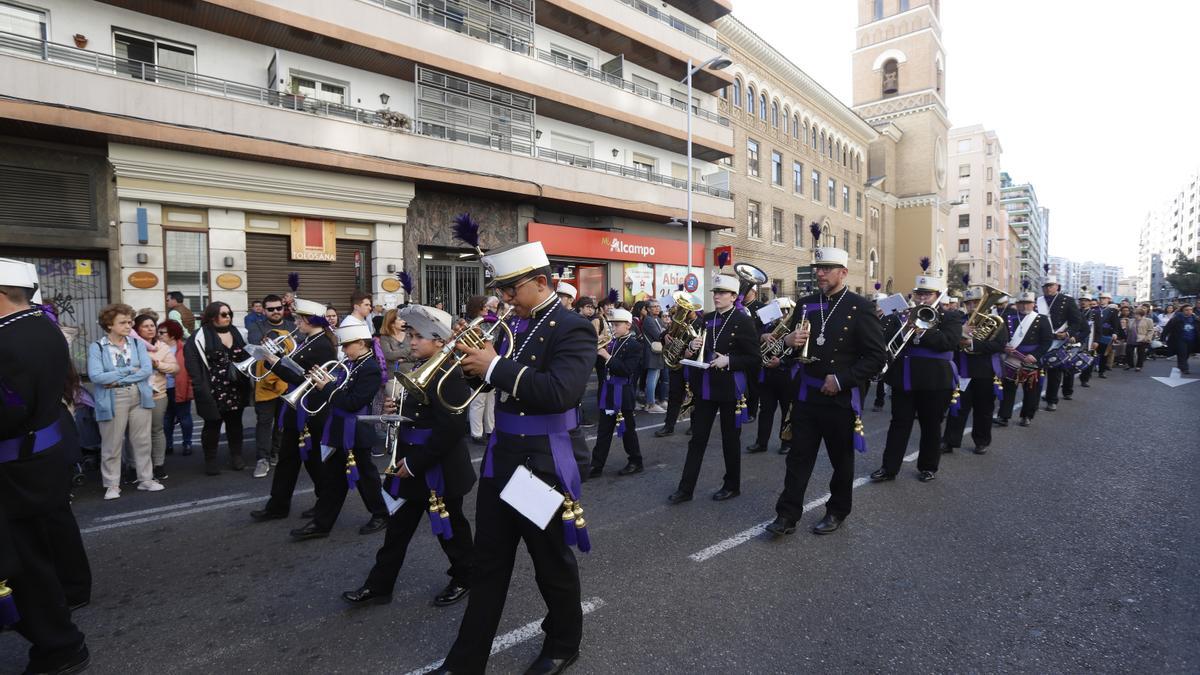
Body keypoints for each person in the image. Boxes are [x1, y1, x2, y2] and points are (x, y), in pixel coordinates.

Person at [434, 240, 594, 675]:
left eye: (510, 290)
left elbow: (561, 392)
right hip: (501, 461)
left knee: (549, 561)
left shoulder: (572, 327)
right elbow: (488, 387)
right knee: (489, 563)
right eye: (500, 290)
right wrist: (459, 365)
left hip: (540, 465)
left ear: (540, 283)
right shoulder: (516, 328)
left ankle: (563, 642)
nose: (503, 300)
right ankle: (465, 662)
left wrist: (492, 366)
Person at [342, 304, 475, 608]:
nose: (411, 342)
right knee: (397, 532)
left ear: (440, 341)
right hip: (410, 463)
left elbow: (451, 429)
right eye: (411, 335)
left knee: (451, 531)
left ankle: (466, 577)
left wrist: (414, 464)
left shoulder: (449, 374)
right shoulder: (418, 367)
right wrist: (394, 411)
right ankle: (379, 586)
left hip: (434, 466)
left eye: (418, 337)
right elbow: (418, 413)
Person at [0, 258, 91, 674]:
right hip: (45, 455)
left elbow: (8, 412)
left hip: (19, 468)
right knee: (43, 544)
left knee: (24, 560)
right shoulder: (42, 325)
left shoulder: (8, 342)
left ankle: (58, 645)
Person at [765, 245, 885, 536]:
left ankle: (837, 510)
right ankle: (787, 515)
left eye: (826, 269)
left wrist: (843, 380)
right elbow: (791, 352)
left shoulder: (860, 307)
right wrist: (787, 344)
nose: (819, 273)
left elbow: (876, 357)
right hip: (806, 396)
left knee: (841, 460)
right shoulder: (805, 304)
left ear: (843, 273)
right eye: (818, 268)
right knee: (798, 458)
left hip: (839, 398)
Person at [289, 323, 389, 540]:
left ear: (361, 343)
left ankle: (381, 513)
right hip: (340, 428)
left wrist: (327, 387)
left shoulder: (369, 368)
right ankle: (321, 524)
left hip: (356, 431)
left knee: (366, 477)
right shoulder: (353, 364)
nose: (343, 350)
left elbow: (353, 402)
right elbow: (341, 393)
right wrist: (326, 382)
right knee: (334, 479)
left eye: (346, 345)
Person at [668, 272, 759, 504]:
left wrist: (729, 361)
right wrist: (691, 346)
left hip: (730, 388)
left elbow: (754, 358)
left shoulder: (743, 320)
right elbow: (691, 350)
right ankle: (685, 489)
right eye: (715, 292)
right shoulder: (705, 319)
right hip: (705, 387)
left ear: (733, 296)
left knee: (730, 440)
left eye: (721, 293)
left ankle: (732, 485)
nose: (717, 296)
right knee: (697, 439)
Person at [871, 266, 963, 483]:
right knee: (899, 424)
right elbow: (885, 339)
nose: (922, 298)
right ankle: (889, 468)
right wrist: (904, 329)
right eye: (919, 293)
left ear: (936, 296)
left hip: (935, 381)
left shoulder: (951, 317)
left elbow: (949, 342)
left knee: (931, 425)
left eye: (927, 294)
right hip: (905, 377)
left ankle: (928, 466)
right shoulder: (901, 316)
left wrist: (923, 331)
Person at [249, 297, 336, 523]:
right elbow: (294, 366)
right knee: (288, 459)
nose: (296, 322)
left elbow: (303, 377)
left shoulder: (322, 345)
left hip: (310, 409)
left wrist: (274, 362)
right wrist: (274, 358)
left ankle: (324, 504)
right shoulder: (307, 339)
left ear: (309, 320)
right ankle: (277, 505)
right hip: (295, 407)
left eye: (299, 319)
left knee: (315, 460)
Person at [87, 303, 161, 499]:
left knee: (142, 440)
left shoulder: (137, 344)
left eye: (130, 322)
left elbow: (146, 370)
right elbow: (96, 376)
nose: (129, 326)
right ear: (109, 325)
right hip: (112, 398)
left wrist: (116, 378)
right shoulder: (97, 347)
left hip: (138, 394)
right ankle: (112, 484)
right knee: (111, 443)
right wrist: (128, 371)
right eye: (123, 322)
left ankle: (146, 479)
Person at [184, 301, 251, 476]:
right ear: (212, 316)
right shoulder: (199, 336)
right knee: (212, 425)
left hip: (236, 387)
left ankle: (236, 456)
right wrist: (199, 386)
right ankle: (210, 460)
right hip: (212, 388)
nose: (228, 316)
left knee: (235, 424)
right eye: (223, 314)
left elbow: (247, 355)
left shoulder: (238, 333)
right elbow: (192, 364)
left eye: (229, 313)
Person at [941, 288, 1008, 455]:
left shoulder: (995, 321)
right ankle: (950, 441)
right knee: (958, 407)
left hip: (986, 372)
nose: (972, 306)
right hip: (963, 371)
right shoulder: (959, 321)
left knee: (984, 409)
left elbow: (999, 346)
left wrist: (972, 344)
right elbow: (948, 343)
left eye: (976, 303)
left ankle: (981, 441)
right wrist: (961, 334)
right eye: (968, 303)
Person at [589, 308, 644, 477]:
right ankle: (596, 466)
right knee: (603, 431)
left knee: (627, 430)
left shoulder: (635, 346)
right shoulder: (612, 342)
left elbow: (626, 370)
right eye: (612, 325)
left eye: (617, 325)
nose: (613, 328)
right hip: (608, 391)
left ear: (628, 325)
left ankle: (636, 461)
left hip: (623, 393)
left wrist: (606, 356)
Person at [248, 295, 296, 478]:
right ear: (263, 310)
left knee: (282, 423)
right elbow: (256, 348)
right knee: (264, 424)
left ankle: (276, 453)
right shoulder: (256, 328)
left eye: (278, 308)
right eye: (271, 309)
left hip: (287, 382)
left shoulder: (292, 327)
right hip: (265, 384)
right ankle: (262, 459)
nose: (275, 312)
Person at [993, 291, 1052, 427]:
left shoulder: (1041, 319)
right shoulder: (1008, 317)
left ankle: (1026, 416)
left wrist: (1035, 355)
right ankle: (1004, 416)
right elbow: (1000, 337)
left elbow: (1047, 341)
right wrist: (1004, 347)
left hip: (1031, 359)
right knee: (1008, 388)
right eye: (1021, 303)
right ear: (1017, 304)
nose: (1024, 306)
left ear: (1033, 304)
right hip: (1011, 357)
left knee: (1031, 389)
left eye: (1027, 303)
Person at [748, 297, 795, 455]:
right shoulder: (765, 327)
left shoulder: (793, 328)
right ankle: (761, 443)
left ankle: (786, 442)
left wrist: (781, 363)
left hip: (785, 375)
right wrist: (761, 337)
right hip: (767, 374)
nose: (780, 315)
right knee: (766, 410)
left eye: (783, 311)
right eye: (777, 311)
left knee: (786, 411)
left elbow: (796, 353)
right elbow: (751, 343)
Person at [135, 313, 178, 480]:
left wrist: (158, 365)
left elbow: (174, 368)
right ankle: (134, 466)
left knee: (157, 430)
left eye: (152, 325)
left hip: (158, 394)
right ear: (137, 329)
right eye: (145, 326)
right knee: (137, 433)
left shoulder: (163, 346)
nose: (150, 329)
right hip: (137, 394)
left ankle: (158, 464)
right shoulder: (132, 346)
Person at [1037, 274, 1082, 403]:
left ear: (1057, 286)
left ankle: (1052, 399)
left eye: (1050, 285)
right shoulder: (1038, 301)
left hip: (1058, 340)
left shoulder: (1067, 300)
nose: (1047, 288)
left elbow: (1076, 321)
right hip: (1040, 340)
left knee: (1054, 371)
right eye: (1045, 286)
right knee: (1036, 372)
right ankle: (1033, 401)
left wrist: (1067, 333)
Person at [158, 319, 195, 457]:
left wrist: (190, 388)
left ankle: (187, 443)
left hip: (180, 387)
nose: (159, 335)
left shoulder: (184, 349)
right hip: (162, 388)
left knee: (184, 417)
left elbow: (190, 370)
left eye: (162, 332)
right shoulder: (156, 348)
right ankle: (168, 444)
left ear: (172, 335)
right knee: (167, 418)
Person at [641, 299, 668, 413]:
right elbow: (659, 335)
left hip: (657, 352)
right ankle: (650, 404)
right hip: (652, 353)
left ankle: (651, 401)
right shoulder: (648, 320)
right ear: (648, 309)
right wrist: (664, 331)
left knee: (655, 377)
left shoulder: (657, 319)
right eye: (654, 306)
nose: (657, 308)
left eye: (658, 306)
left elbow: (665, 331)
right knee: (652, 378)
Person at [379, 308, 416, 377]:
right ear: (392, 323)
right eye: (400, 319)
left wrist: (404, 359)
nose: (404, 321)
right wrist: (409, 349)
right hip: (394, 377)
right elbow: (389, 355)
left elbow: (417, 354)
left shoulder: (409, 334)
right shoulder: (385, 337)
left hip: (412, 374)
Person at [1162, 304, 1197, 374]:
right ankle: (1184, 368)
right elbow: (1167, 328)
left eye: (1190, 310)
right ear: (1182, 311)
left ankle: (1181, 365)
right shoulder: (1176, 319)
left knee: (1187, 354)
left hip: (1192, 339)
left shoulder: (1195, 318)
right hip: (1180, 339)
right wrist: (1163, 338)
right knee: (1182, 353)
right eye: (1186, 310)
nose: (1189, 311)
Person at [1125, 306, 1155, 371]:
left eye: (1136, 314)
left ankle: (1139, 366)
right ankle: (1130, 364)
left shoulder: (1148, 320)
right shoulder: (1131, 320)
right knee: (1129, 352)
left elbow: (1151, 330)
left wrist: (1148, 338)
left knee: (1140, 353)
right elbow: (1127, 330)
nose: (1135, 315)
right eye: (1134, 314)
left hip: (1142, 339)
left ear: (1141, 314)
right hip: (1131, 338)